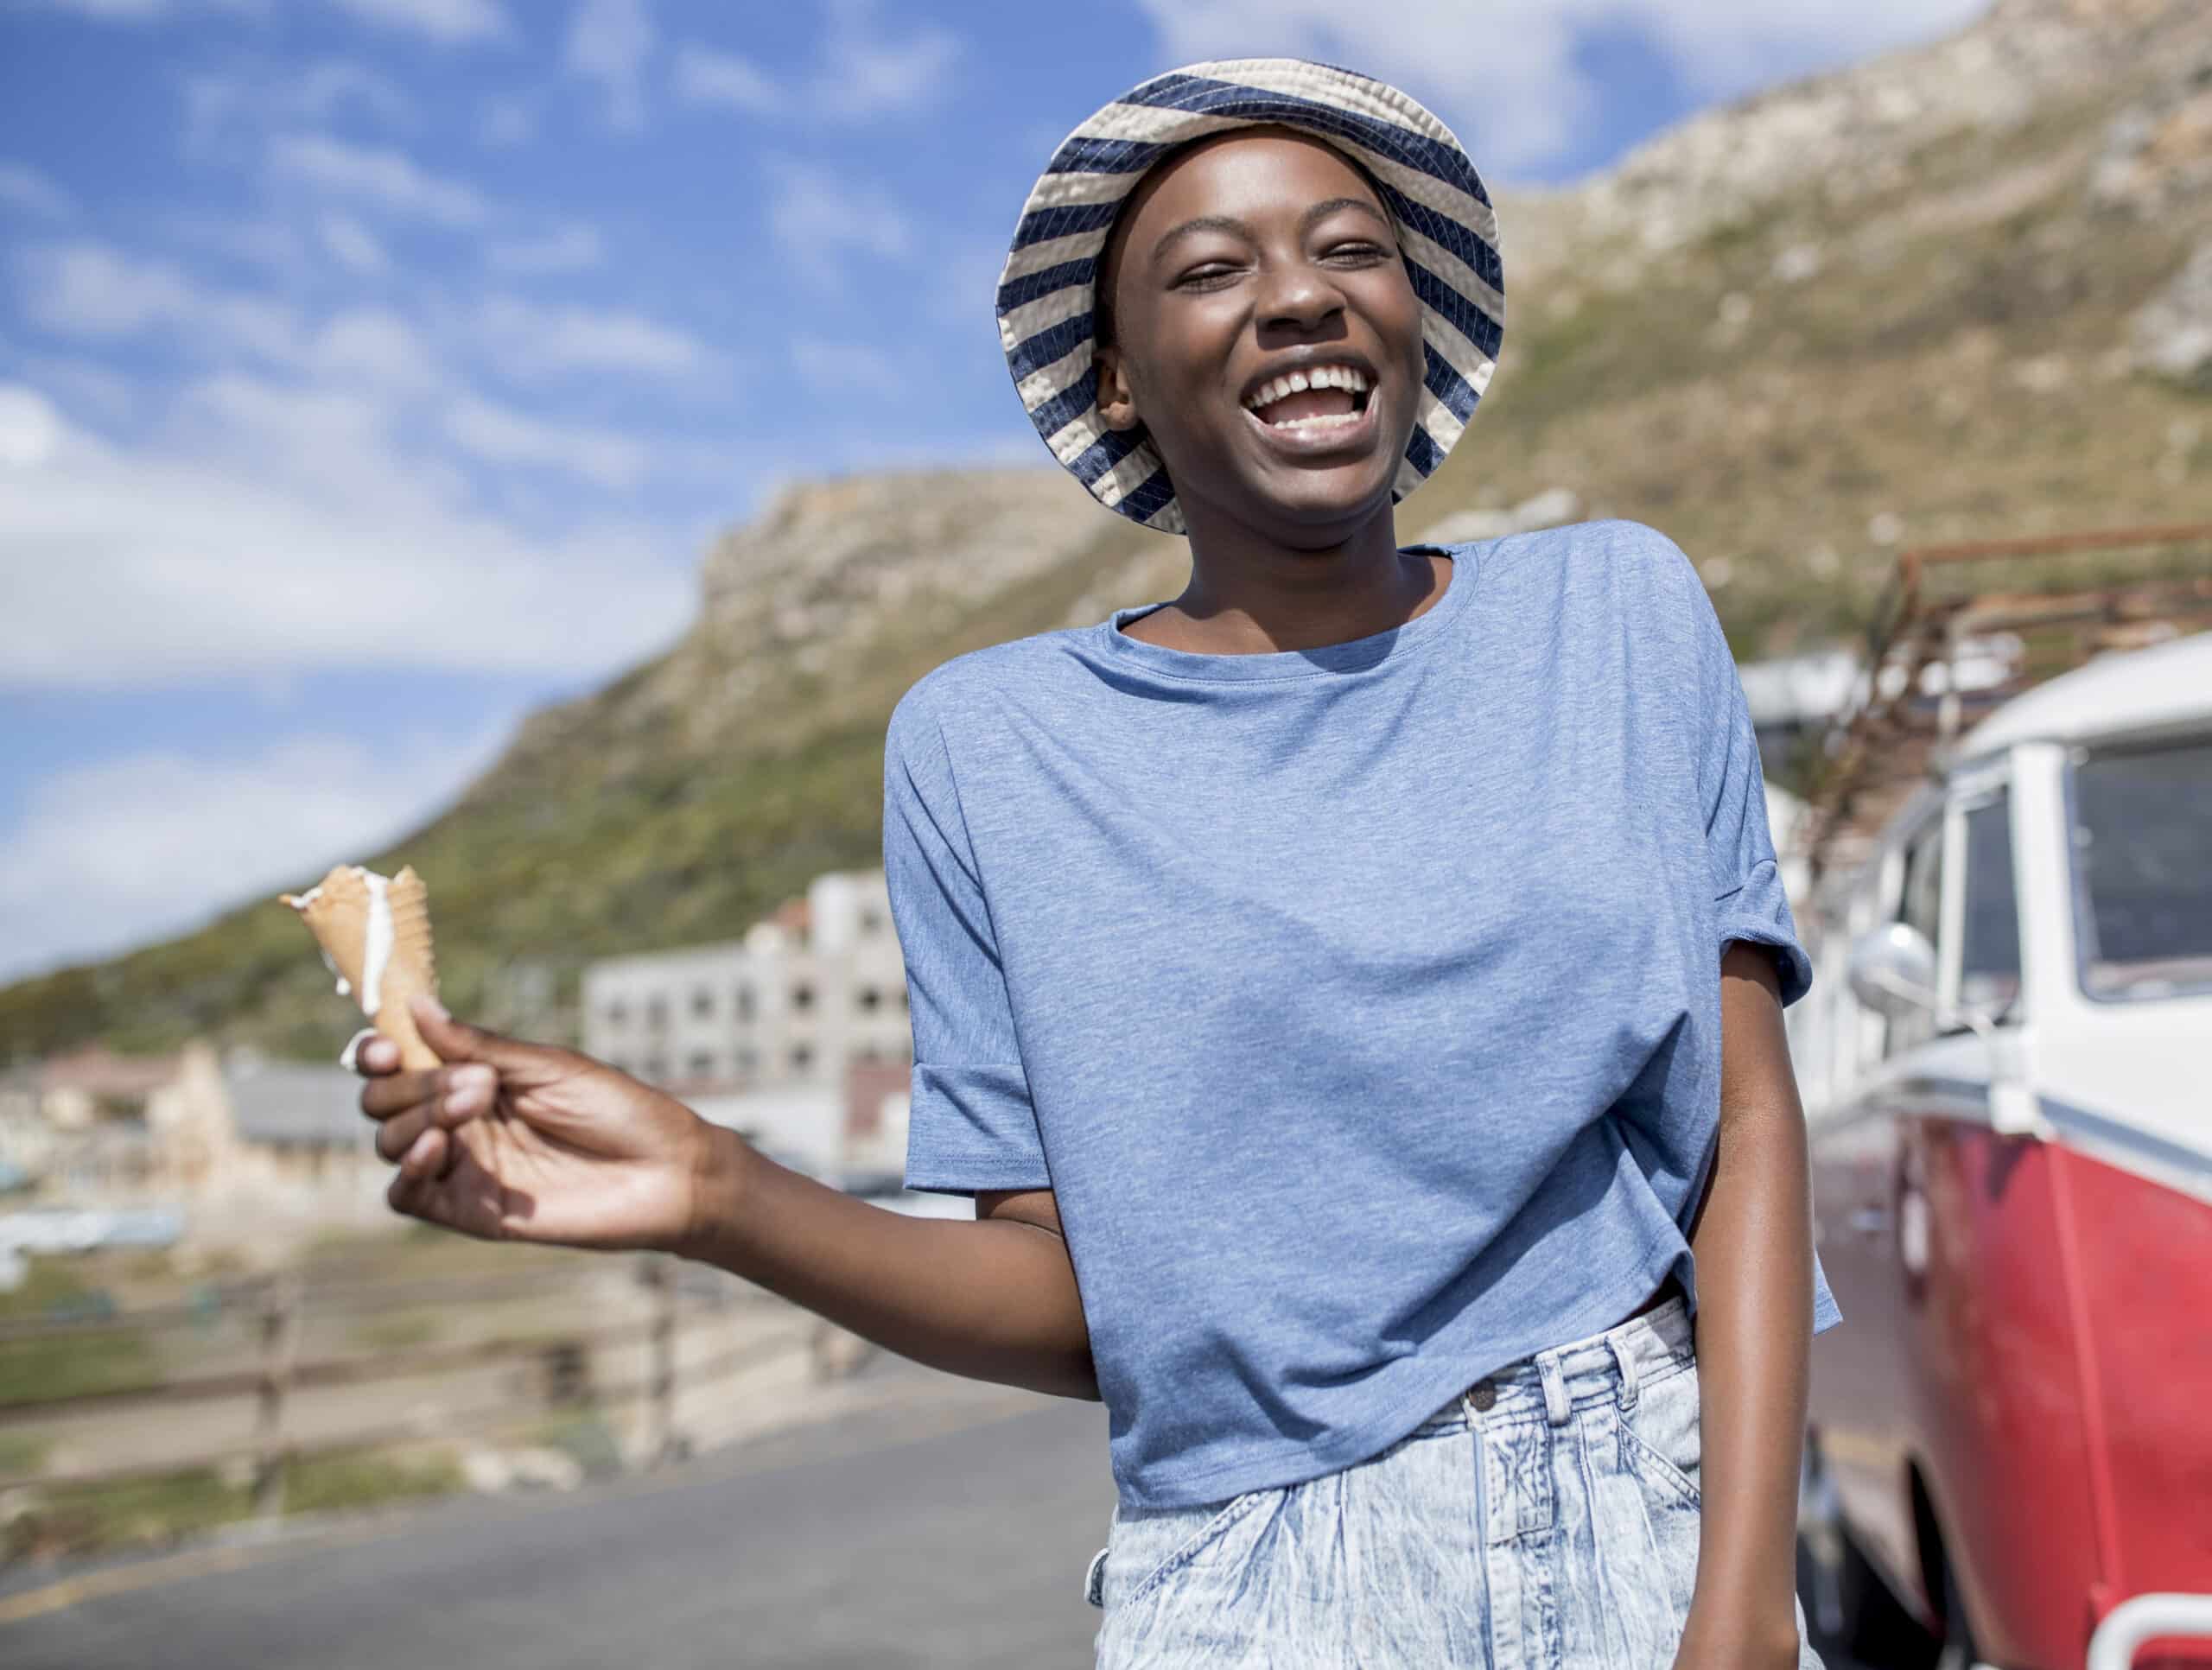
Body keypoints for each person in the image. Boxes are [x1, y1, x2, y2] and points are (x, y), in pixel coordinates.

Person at [354, 59, 1841, 1668]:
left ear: (1412, 313)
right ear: (1121, 376)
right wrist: (717, 1193)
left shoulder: (1616, 612)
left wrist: (1743, 1604)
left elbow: (1741, 1128)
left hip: (1648, 1501)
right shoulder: (983, 752)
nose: (1298, 300)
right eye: (1211, 271)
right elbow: (1081, 1299)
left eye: (1351, 250)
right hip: (1260, 1584)